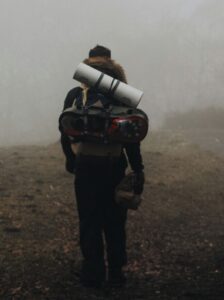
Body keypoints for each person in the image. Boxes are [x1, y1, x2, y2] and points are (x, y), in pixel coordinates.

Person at [59, 45, 145, 288]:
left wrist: (70, 159)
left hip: (85, 164)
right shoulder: (122, 95)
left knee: (89, 219)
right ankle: (116, 273)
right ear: (111, 63)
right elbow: (132, 137)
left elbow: (64, 130)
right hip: (114, 164)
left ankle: (92, 272)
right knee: (115, 221)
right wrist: (137, 168)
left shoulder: (76, 94)